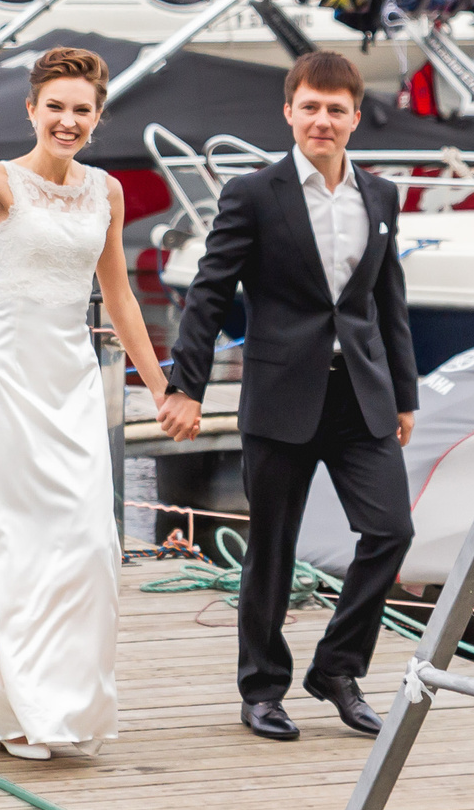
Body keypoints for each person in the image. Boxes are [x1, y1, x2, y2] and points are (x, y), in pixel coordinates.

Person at [0, 44, 199, 760]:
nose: (67, 119)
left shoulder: (105, 192)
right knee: (14, 545)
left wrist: (162, 386)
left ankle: (62, 702)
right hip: (7, 380)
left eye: (81, 109)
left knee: (85, 545)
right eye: (55, 106)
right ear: (32, 109)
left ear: (97, 117)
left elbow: (117, 295)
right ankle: (19, 709)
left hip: (72, 383)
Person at [166, 50, 418, 741]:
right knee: (271, 548)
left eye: (336, 109)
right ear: (289, 111)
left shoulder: (380, 194)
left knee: (391, 530)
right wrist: (184, 385)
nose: (323, 120)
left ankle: (337, 667)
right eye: (311, 106)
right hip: (281, 395)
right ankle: (262, 688)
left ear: (355, 117)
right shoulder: (254, 193)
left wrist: (404, 392)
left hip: (361, 397)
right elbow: (210, 293)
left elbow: (387, 299)